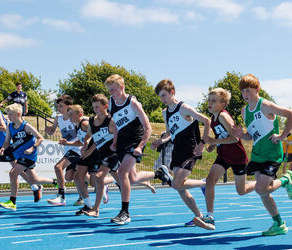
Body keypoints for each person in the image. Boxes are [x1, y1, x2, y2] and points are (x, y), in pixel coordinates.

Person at [231, 74, 292, 236]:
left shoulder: (265, 105)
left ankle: (285, 180)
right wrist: (242, 134)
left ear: (257, 90)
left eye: (248, 91)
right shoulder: (244, 111)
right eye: (243, 92)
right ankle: (279, 224)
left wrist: (282, 136)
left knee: (261, 188)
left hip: (272, 154)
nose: (245, 94)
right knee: (263, 191)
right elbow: (251, 135)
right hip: (257, 155)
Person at [150, 79, 212, 230]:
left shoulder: (184, 108)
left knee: (176, 183)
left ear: (172, 92)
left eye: (164, 95)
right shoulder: (165, 113)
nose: (162, 99)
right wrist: (160, 141)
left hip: (191, 149)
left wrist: (202, 143)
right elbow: (170, 133)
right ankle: (198, 216)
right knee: (179, 187)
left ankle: (204, 184)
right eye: (160, 96)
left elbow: (206, 121)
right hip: (177, 149)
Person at [202, 87, 253, 228]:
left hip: (237, 156)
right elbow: (221, 136)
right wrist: (214, 144)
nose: (209, 103)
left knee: (241, 191)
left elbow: (235, 138)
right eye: (209, 100)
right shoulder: (213, 118)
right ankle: (210, 216)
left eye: (214, 100)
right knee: (210, 180)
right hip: (224, 155)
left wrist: (214, 141)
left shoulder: (224, 116)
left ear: (222, 104)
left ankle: (259, 184)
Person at [105, 74, 153, 225]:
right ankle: (159, 173)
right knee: (132, 179)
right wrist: (114, 141)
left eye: (114, 89)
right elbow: (118, 126)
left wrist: (140, 146)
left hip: (135, 141)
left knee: (121, 173)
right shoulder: (111, 103)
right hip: (122, 143)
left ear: (121, 87)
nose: (112, 93)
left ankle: (125, 212)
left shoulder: (132, 103)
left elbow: (148, 128)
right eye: (109, 90)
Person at [0, 104, 54, 210]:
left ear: (18, 114)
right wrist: (3, 148)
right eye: (8, 114)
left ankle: (12, 202)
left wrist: (32, 148)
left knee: (12, 173)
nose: (9, 116)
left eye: (11, 114)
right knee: (34, 179)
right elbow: (6, 142)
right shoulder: (10, 126)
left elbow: (40, 138)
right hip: (19, 155)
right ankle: (54, 182)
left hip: (29, 155)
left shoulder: (26, 126)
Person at [82, 94, 121, 218]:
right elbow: (91, 136)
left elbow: (119, 135)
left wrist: (115, 144)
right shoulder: (92, 121)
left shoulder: (111, 121)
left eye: (98, 107)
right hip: (102, 155)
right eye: (94, 107)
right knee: (127, 180)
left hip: (113, 154)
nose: (95, 110)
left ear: (105, 106)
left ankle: (96, 209)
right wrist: (86, 145)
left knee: (99, 178)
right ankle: (155, 175)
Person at [67, 105, 110, 215]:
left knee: (93, 181)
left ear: (79, 115)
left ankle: (110, 181)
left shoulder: (85, 123)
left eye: (71, 114)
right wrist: (67, 143)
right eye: (69, 114)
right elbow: (81, 142)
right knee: (77, 177)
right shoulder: (76, 126)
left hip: (94, 152)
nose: (69, 116)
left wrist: (87, 142)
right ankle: (88, 204)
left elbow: (94, 134)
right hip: (86, 154)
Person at [45, 96, 83, 206]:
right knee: (71, 177)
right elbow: (52, 131)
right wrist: (49, 131)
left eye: (61, 106)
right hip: (68, 149)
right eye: (57, 106)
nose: (58, 108)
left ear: (69, 106)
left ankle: (61, 197)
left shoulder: (75, 118)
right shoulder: (58, 118)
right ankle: (100, 185)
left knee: (58, 167)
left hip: (77, 149)